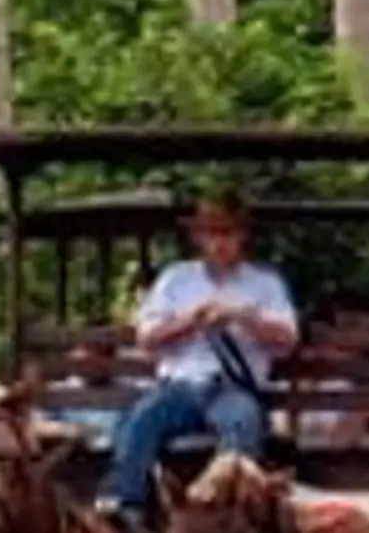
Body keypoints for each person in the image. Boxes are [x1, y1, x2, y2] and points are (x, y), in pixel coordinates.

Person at [99, 191, 299, 526]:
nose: (219, 242)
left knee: (243, 422)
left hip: (234, 389)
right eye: (211, 233)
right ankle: (125, 510)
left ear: (242, 235)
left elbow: (288, 339)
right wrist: (189, 321)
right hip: (180, 387)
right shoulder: (176, 279)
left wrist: (241, 317)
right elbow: (146, 339)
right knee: (140, 420)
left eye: (227, 233)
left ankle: (228, 512)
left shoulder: (265, 283)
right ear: (198, 237)